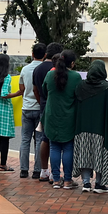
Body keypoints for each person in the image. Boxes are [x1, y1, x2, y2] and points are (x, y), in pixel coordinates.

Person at [73, 60, 108, 193]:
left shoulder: (80, 86)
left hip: (82, 127)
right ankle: (99, 183)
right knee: (100, 155)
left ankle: (86, 183)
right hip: (101, 128)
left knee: (85, 154)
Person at [42, 50, 80, 188]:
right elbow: (79, 95)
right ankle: (68, 180)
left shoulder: (50, 74)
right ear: (72, 63)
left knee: (54, 146)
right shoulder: (75, 77)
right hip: (69, 116)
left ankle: (56, 180)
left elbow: (44, 91)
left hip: (51, 115)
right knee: (68, 147)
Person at [33, 42, 64, 183]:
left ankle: (43, 170)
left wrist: (41, 102)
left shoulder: (37, 69)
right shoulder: (58, 70)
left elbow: (35, 90)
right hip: (56, 108)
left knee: (44, 139)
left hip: (44, 106)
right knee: (56, 142)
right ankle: (54, 173)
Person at [0, 53, 21, 171]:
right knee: (5, 138)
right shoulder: (7, 77)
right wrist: (17, 93)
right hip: (5, 110)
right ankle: (3, 164)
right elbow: (4, 94)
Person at [18, 43, 46, 179]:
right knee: (39, 140)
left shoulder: (25, 69)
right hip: (39, 107)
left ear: (32, 54)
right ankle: (37, 170)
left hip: (26, 108)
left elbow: (21, 88)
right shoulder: (43, 70)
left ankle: (23, 170)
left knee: (25, 139)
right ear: (45, 55)